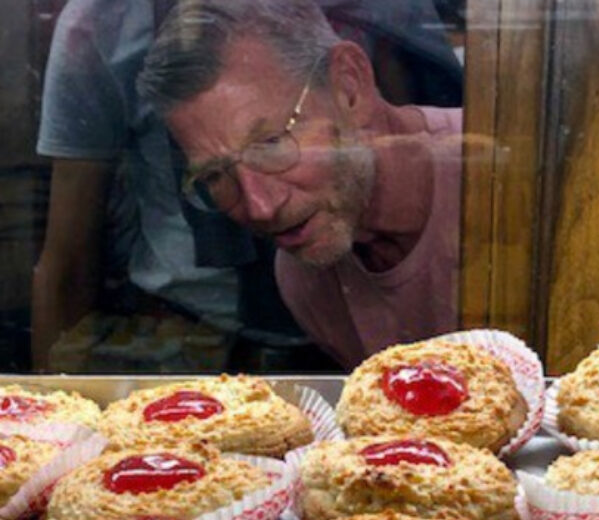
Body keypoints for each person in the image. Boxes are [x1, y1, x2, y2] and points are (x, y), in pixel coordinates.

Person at [34, 0, 461, 372]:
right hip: (181, 328)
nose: (259, 208)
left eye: (272, 143)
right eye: (214, 176)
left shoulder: (501, 187)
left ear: (349, 89)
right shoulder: (302, 274)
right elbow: (66, 259)